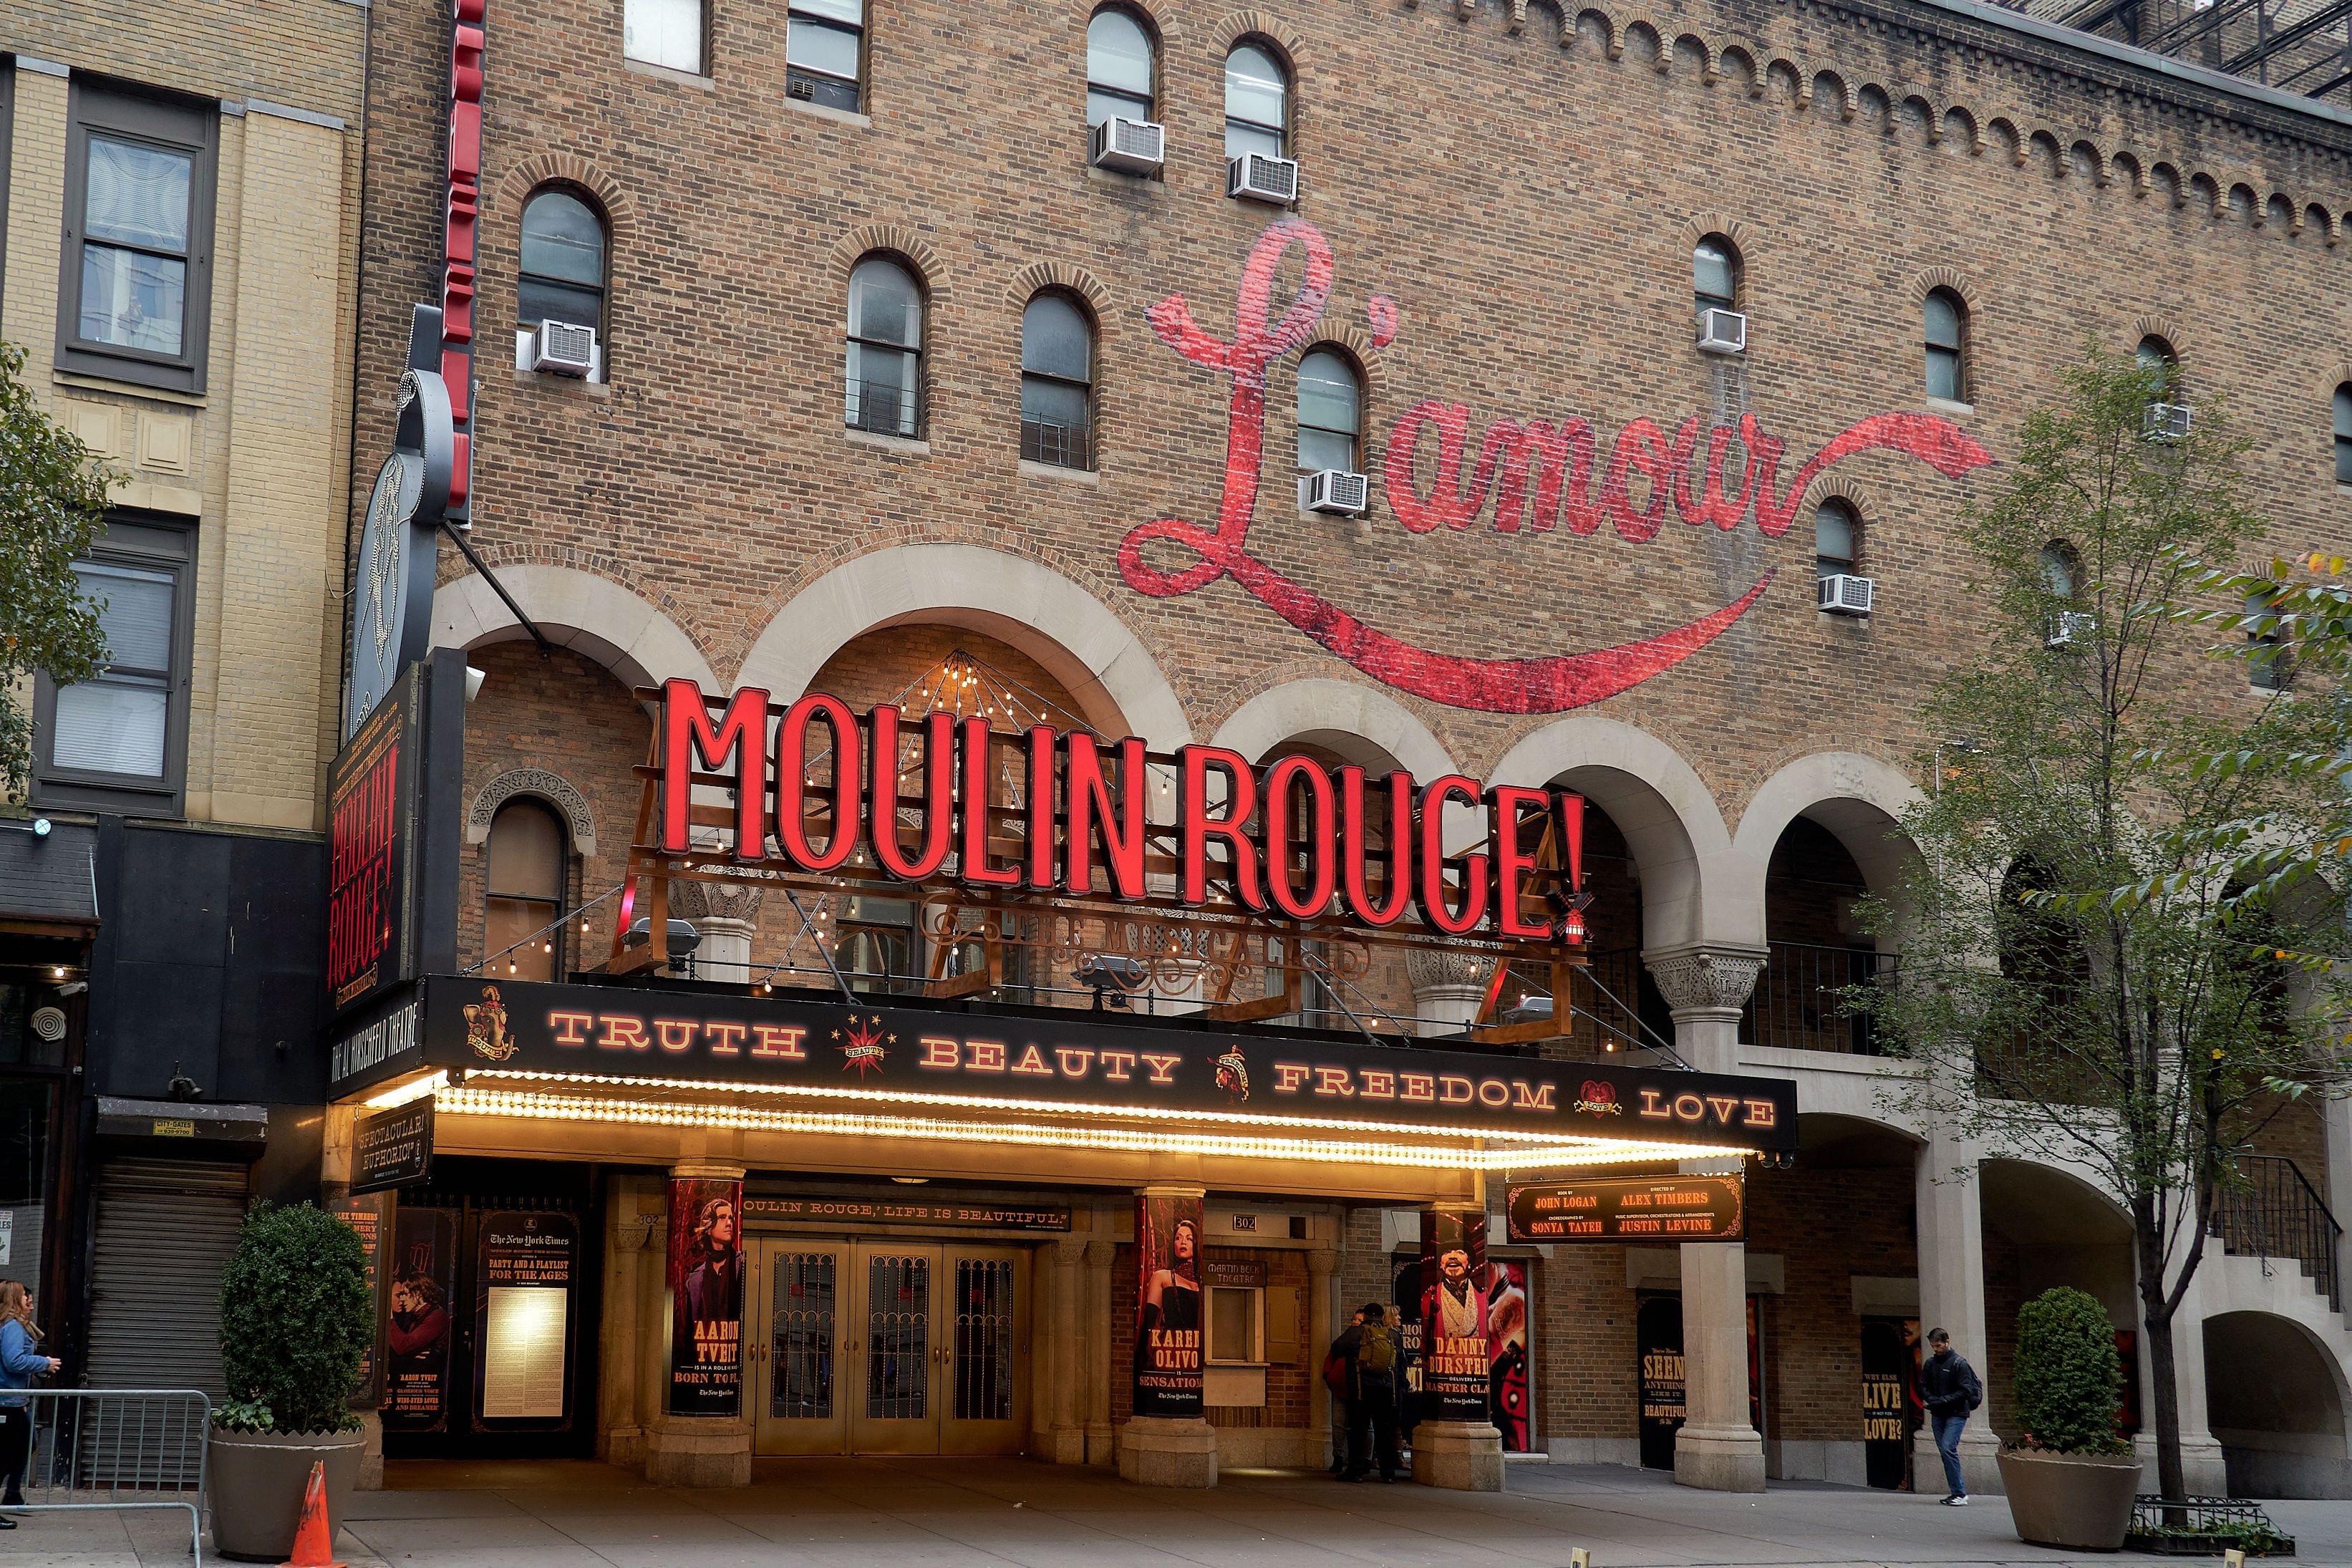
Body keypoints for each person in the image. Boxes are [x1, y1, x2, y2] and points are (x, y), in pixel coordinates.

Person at [0, 1281, 59, 1524]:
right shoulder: (12, 1327)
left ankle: (13, 1493)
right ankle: (12, 1493)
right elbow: (14, 1361)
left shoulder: (11, 1325)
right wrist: (44, 1363)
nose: (30, 1302)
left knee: (21, 1447)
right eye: (26, 1297)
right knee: (9, 1455)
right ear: (15, 1298)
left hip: (13, 1399)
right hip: (7, 1400)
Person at [1331, 1302, 1400, 1481]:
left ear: (1366, 1315)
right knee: (1384, 1431)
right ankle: (1388, 1473)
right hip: (1386, 1389)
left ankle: (1355, 1471)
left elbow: (1336, 1348)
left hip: (1361, 1389)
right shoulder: (1393, 1335)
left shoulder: (1356, 1333)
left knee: (1358, 1430)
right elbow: (1399, 1363)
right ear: (1382, 1317)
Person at [1918, 1326, 1983, 1505]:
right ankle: (1956, 1492)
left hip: (1957, 1412)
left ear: (1948, 1342)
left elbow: (1965, 1390)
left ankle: (1960, 1493)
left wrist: (1943, 1400)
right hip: (1939, 1412)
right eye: (1933, 1346)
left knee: (1948, 1447)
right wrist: (1932, 1399)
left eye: (1939, 1345)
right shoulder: (1931, 1364)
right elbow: (1923, 1385)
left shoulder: (1959, 1363)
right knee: (1945, 1451)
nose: (1936, 1349)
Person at [680, 1196, 743, 1326]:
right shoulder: (694, 1280)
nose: (729, 1223)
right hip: (703, 1343)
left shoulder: (742, 1265)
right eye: (722, 1218)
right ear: (709, 1228)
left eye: (731, 1218)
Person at [1322, 1309, 1363, 1475]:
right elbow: (1332, 1353)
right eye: (1354, 1319)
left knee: (1363, 1427)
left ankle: (1361, 1460)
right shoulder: (1345, 1338)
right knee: (1338, 1424)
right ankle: (1338, 1457)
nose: (1355, 1322)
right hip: (1341, 1386)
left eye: (1359, 1320)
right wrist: (1329, 1377)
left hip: (1359, 1388)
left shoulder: (1366, 1340)